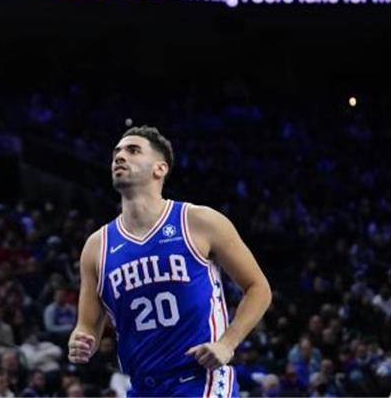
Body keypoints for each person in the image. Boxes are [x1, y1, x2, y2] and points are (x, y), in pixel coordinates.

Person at [68, 126, 273, 397]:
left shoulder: (199, 221)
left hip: (201, 379)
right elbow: (88, 325)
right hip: (142, 386)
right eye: (116, 152)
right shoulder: (97, 246)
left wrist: (227, 344)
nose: (119, 156)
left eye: (132, 150)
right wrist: (80, 340)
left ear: (160, 169)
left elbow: (258, 287)